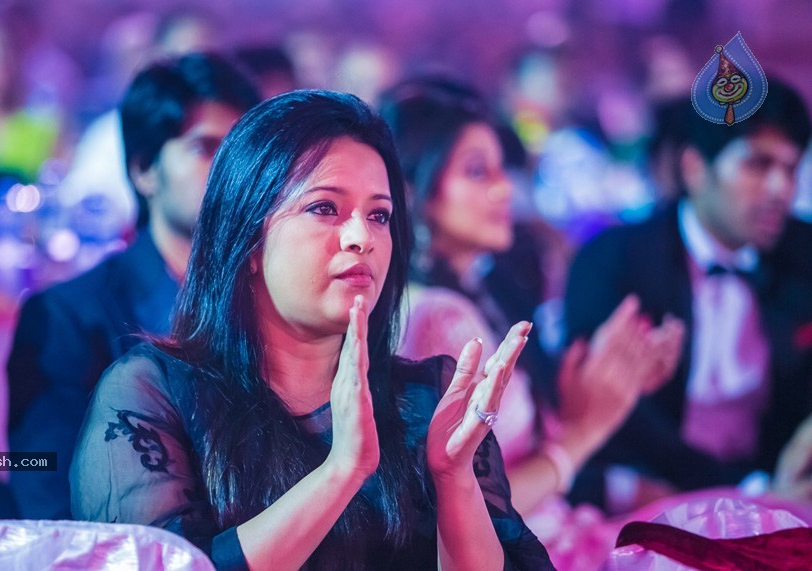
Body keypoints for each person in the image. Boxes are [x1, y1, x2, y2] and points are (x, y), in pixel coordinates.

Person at [71, 90, 554, 570]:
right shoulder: (154, 396)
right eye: (325, 208)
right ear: (249, 237)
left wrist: (452, 479)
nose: (362, 237)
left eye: (379, 215)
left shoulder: (427, 398)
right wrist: (341, 471)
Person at [380, 78, 686, 569]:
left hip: (562, 528)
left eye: (502, 169)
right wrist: (583, 432)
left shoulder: (488, 287)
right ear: (416, 192)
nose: (505, 188)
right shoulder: (438, 317)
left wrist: (611, 385)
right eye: (477, 172)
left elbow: (524, 449)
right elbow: (463, 511)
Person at [6, 53, 260, 520]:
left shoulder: (270, 299)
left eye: (240, 152)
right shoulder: (67, 316)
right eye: (205, 148)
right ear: (144, 169)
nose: (231, 172)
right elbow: (50, 501)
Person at [563, 77, 812, 511]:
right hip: (654, 493)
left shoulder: (803, 254)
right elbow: (623, 420)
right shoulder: (614, 260)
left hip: (780, 484)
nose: (780, 190)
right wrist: (746, 490)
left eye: (790, 171)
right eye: (758, 165)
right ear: (695, 167)